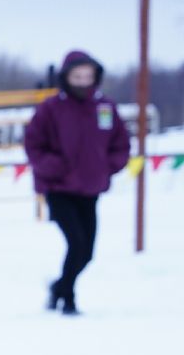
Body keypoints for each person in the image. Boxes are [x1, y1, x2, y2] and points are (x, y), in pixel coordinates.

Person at [22, 49, 130, 317]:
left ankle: (58, 287)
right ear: (67, 77)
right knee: (77, 244)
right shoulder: (51, 109)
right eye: (77, 76)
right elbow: (33, 145)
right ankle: (67, 298)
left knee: (88, 252)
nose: (83, 81)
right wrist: (55, 167)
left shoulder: (105, 108)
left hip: (90, 189)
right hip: (58, 189)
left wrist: (106, 168)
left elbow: (121, 145)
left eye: (87, 76)